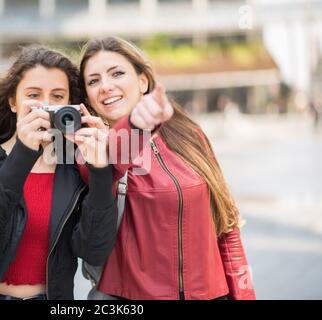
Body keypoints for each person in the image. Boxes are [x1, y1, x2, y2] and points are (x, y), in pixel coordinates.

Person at [73, 36, 256, 300]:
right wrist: (136, 124)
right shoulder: (92, 150)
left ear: (143, 81)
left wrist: (244, 294)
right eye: (94, 81)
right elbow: (111, 162)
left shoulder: (190, 134)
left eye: (117, 73)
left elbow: (226, 224)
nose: (105, 86)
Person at [0, 46, 117, 300]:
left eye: (57, 96)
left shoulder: (74, 171)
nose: (45, 106)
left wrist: (101, 173)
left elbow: (94, 251)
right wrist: (24, 153)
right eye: (34, 95)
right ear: (13, 102)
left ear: (70, 105)